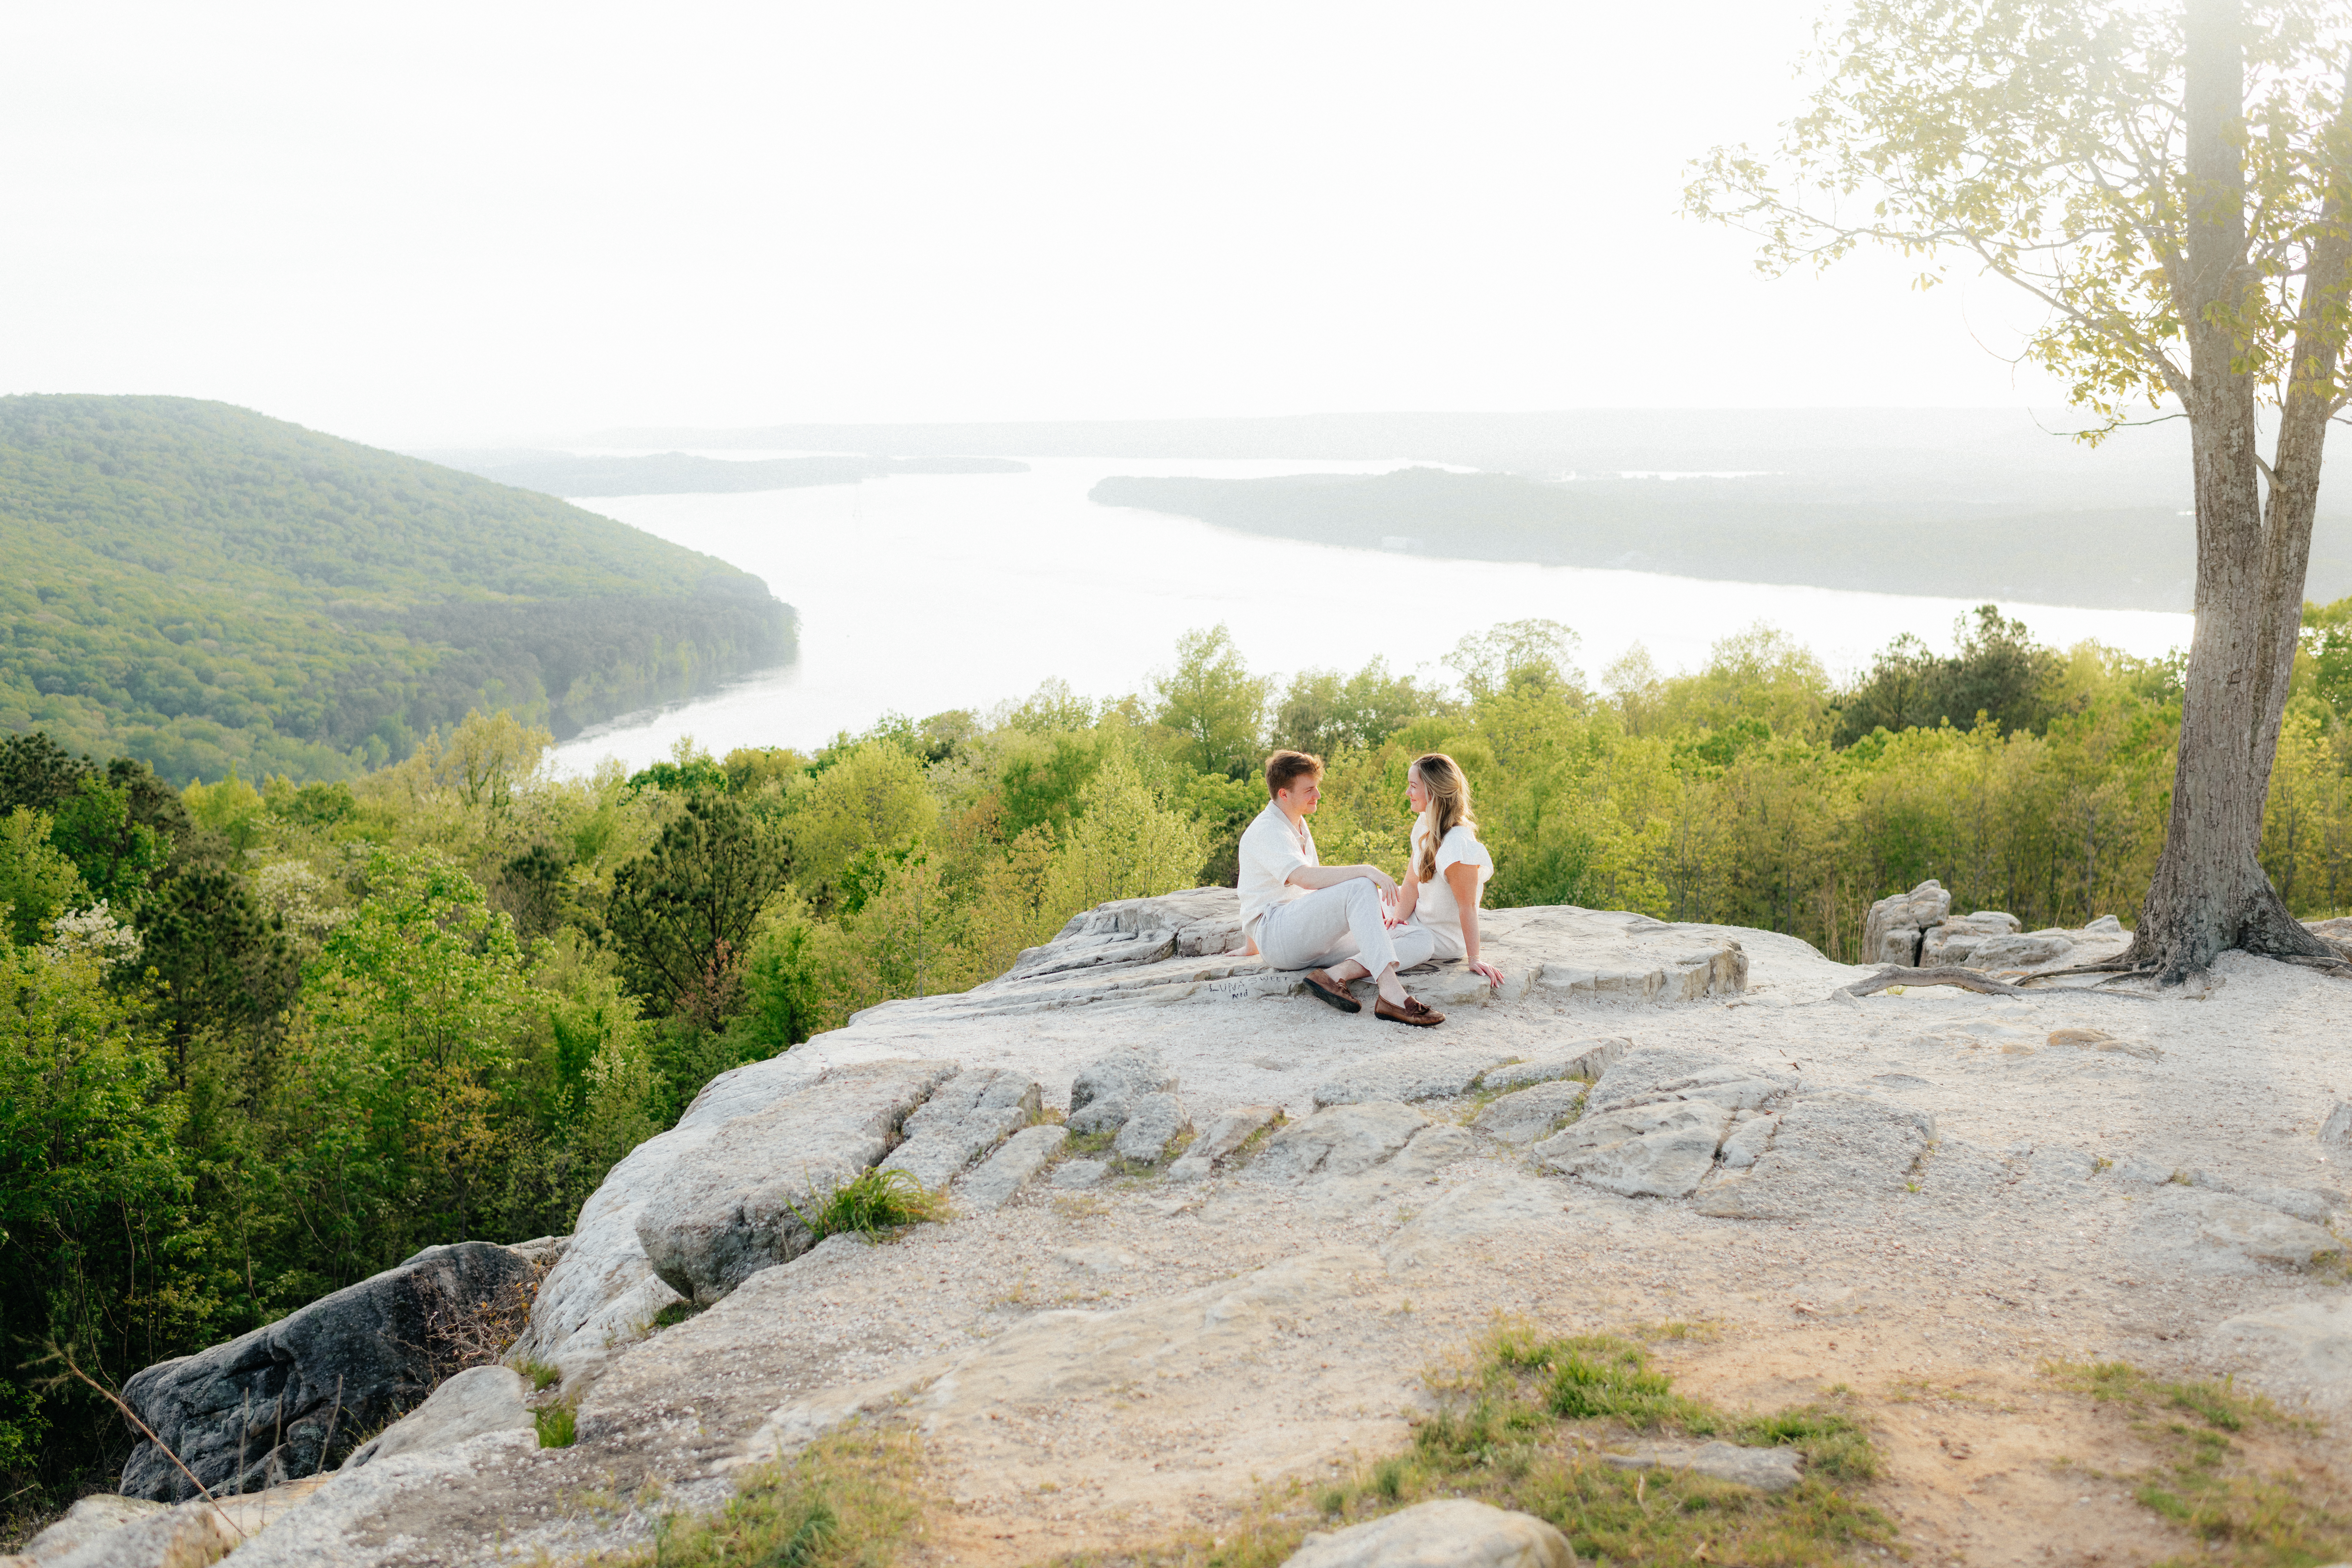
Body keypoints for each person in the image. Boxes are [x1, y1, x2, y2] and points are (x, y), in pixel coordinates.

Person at [1238, 749, 1444, 1027]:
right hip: (1279, 935)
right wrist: (1367, 870)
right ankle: (1392, 995)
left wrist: (1249, 945)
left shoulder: (1296, 822)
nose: (1318, 795)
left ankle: (1336, 974)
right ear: (1284, 794)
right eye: (1310, 789)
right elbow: (1304, 878)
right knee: (1361, 885)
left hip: (1306, 936)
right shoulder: (1267, 829)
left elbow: (1255, 884)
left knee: (1419, 937)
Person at [1386, 752, 1503, 991]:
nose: (1407, 793)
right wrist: (1398, 918)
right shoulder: (1424, 824)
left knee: (1362, 930)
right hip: (1415, 918)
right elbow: (1410, 884)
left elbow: (1468, 907)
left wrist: (1474, 959)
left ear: (1432, 792)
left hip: (1437, 938)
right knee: (1362, 894)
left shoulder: (1457, 844)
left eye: (1413, 786)